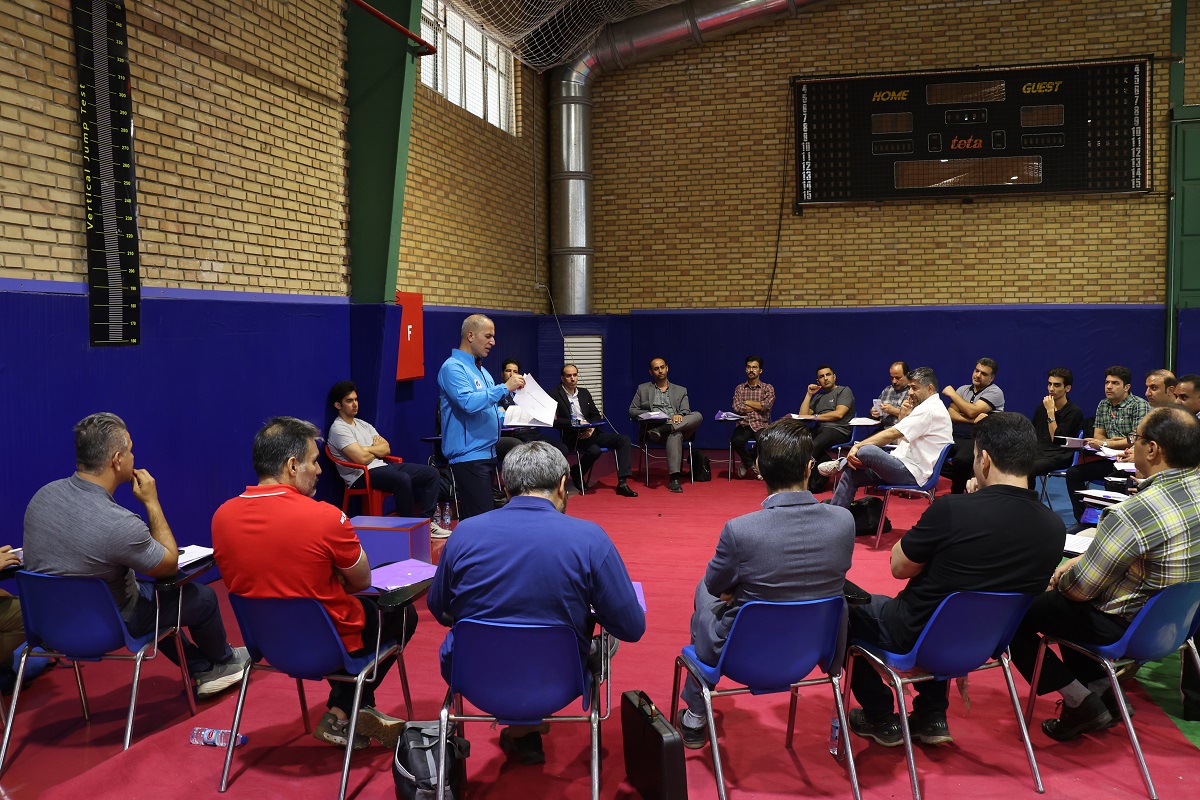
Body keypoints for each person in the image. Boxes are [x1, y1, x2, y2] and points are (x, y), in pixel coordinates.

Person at [845, 413, 1066, 748]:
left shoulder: (952, 511)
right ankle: (930, 715)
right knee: (948, 605)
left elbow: (899, 567)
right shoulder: (1054, 527)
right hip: (984, 643)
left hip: (913, 633)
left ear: (984, 459)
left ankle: (879, 715)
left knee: (843, 606)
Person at [428, 441, 645, 764]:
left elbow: (438, 607)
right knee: (595, 641)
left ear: (504, 484)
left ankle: (523, 732)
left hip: (473, 675)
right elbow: (631, 627)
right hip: (559, 680)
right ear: (562, 484)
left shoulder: (463, 533)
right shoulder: (590, 538)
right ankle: (525, 729)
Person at [212, 416, 417, 749]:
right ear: (293, 466)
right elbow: (361, 580)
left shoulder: (221, 516)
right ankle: (345, 709)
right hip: (327, 646)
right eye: (314, 461)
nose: (320, 470)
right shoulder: (325, 517)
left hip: (269, 646)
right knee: (402, 613)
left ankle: (346, 711)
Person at [23, 412, 248, 699]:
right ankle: (225, 662)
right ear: (117, 460)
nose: (133, 456)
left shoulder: (41, 497)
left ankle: (202, 667)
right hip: (108, 627)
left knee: (150, 597)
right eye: (130, 450)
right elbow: (168, 565)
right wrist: (152, 502)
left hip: (49, 626)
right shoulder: (118, 523)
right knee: (201, 598)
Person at [1009, 406, 1200, 738]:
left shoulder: (1134, 512)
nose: (1131, 445)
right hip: (1177, 625)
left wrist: (1059, 577)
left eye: (1136, 439)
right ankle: (1104, 690)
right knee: (1065, 609)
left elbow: (1078, 590)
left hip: (1127, 627)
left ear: (1153, 450)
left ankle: (1079, 702)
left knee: (1012, 613)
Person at [674, 419, 855, 747]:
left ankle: (696, 712)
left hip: (741, 658)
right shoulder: (845, 521)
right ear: (809, 468)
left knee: (704, 590)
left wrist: (737, 591)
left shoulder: (740, 530)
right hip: (811, 653)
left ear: (758, 467)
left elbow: (715, 587)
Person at [327, 380, 449, 538]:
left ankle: (427, 523)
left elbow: (386, 448)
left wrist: (366, 449)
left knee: (431, 473)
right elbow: (361, 459)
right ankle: (409, 528)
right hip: (360, 475)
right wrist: (374, 449)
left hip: (381, 467)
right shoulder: (338, 429)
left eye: (356, 399)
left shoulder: (363, 424)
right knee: (402, 479)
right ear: (338, 405)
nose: (355, 404)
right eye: (349, 401)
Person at [823, 367, 953, 509]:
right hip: (902, 462)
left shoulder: (929, 410)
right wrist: (903, 413)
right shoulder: (928, 407)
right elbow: (902, 440)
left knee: (866, 450)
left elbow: (893, 434)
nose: (910, 392)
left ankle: (841, 462)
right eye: (910, 387)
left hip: (913, 473)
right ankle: (836, 515)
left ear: (929, 388)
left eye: (914, 388)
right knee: (851, 473)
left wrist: (857, 446)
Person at [438, 314, 525, 519]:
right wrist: (504, 387)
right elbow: (468, 403)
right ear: (470, 335)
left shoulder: (483, 371)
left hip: (487, 453)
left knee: (478, 519)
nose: (493, 342)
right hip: (469, 456)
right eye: (488, 336)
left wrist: (522, 415)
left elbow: (491, 411)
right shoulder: (452, 367)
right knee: (481, 518)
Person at [1064, 366, 1151, 526]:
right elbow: (1098, 436)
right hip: (1108, 459)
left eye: (1115, 383)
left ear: (1127, 387)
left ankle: (1112, 524)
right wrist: (1116, 442)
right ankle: (1083, 520)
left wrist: (1108, 442)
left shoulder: (1139, 405)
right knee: (1073, 474)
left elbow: (1135, 440)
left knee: (1114, 480)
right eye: (1107, 382)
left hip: (1129, 461)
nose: (1109, 387)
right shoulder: (1103, 404)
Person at [549, 363, 638, 496]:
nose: (572, 378)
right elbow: (553, 421)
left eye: (575, 375)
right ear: (562, 378)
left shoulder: (584, 393)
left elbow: (596, 415)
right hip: (573, 437)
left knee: (624, 439)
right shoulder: (554, 394)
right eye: (568, 376)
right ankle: (577, 472)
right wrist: (576, 422)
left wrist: (591, 428)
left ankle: (622, 482)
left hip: (590, 433)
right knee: (595, 450)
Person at [628, 357, 703, 493]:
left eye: (662, 367)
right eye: (656, 369)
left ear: (667, 368)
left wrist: (680, 415)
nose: (660, 371)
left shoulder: (680, 390)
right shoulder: (643, 389)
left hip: (677, 424)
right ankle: (674, 479)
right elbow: (632, 411)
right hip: (655, 431)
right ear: (651, 372)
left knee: (698, 415)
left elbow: (686, 411)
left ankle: (666, 428)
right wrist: (650, 414)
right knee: (675, 435)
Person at [942, 358, 1005, 494]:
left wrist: (952, 394)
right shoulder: (963, 389)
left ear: (991, 378)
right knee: (929, 456)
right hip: (954, 435)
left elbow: (972, 410)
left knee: (962, 460)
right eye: (976, 371)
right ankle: (965, 477)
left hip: (978, 438)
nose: (978, 375)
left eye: (984, 374)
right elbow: (951, 414)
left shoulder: (995, 392)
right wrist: (972, 420)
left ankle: (957, 492)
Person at [494, 358, 568, 465]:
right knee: (526, 454)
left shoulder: (526, 392)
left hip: (530, 433)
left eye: (515, 372)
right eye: (508, 371)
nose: (512, 374)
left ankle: (547, 475)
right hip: (512, 435)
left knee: (561, 449)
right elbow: (503, 418)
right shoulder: (498, 393)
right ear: (502, 374)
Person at [797, 364, 855, 484]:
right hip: (820, 429)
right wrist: (809, 394)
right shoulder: (818, 397)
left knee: (815, 444)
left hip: (838, 430)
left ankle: (804, 480)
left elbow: (839, 414)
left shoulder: (844, 391)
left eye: (828, 375)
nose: (825, 378)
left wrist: (815, 417)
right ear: (818, 381)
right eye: (821, 376)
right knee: (797, 438)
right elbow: (803, 415)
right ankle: (817, 472)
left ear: (834, 377)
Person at [1029, 367, 1085, 488]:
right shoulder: (1042, 407)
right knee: (1012, 463)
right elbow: (1032, 433)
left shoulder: (1074, 412)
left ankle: (1026, 499)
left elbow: (1057, 440)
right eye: (1050, 384)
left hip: (1060, 455)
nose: (1051, 389)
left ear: (1067, 388)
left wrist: (1050, 412)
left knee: (1028, 468)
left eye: (1057, 385)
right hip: (1039, 451)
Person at [729, 355, 774, 479]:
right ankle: (751, 464)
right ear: (745, 369)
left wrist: (747, 402)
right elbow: (737, 408)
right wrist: (758, 405)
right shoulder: (740, 388)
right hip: (744, 424)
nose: (751, 370)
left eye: (754, 367)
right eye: (749, 367)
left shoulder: (767, 388)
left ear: (760, 370)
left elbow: (767, 405)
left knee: (764, 441)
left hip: (761, 424)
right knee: (736, 441)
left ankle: (747, 462)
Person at [871, 361, 911, 428]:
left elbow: (914, 417)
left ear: (907, 375)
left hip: (901, 430)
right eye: (892, 378)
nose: (894, 381)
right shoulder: (887, 390)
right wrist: (874, 412)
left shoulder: (913, 392)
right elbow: (876, 414)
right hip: (883, 428)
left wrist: (893, 411)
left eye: (898, 378)